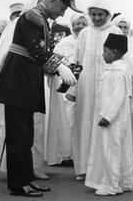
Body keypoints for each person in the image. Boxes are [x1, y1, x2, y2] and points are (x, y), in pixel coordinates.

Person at [0, 0, 79, 197]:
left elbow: (42, 52)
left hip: (23, 84)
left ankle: (27, 178)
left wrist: (61, 64)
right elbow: (36, 50)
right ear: (51, 0)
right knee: (18, 137)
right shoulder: (33, 17)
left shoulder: (41, 20)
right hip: (17, 85)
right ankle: (18, 184)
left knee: (25, 136)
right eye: (63, 7)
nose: (63, 12)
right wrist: (60, 67)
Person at [0, 0, 49, 180]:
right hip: (15, 86)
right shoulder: (13, 27)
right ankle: (16, 174)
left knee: (33, 130)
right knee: (15, 133)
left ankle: (31, 169)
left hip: (32, 85)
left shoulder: (41, 25)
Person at [72, 0, 121, 180]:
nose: (97, 18)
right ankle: (84, 168)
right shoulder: (84, 33)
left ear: (107, 14)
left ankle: (103, 169)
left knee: (104, 124)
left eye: (101, 15)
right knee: (84, 125)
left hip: (107, 86)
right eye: (93, 14)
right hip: (86, 86)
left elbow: (120, 59)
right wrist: (74, 89)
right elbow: (77, 60)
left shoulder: (116, 31)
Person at [85, 33, 133, 196]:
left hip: (113, 121)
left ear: (114, 52)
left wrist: (107, 116)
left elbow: (118, 96)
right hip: (111, 119)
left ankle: (112, 186)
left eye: (105, 51)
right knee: (111, 150)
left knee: (111, 151)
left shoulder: (119, 72)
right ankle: (115, 182)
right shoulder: (113, 69)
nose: (102, 54)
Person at [46, 13, 87, 166]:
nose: (80, 27)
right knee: (67, 119)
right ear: (72, 25)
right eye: (77, 23)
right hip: (65, 87)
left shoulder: (89, 42)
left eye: (84, 24)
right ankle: (66, 154)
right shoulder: (64, 43)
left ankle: (80, 154)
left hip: (84, 86)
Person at [111, 14, 133, 149]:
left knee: (128, 117)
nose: (122, 30)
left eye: (125, 27)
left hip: (130, 87)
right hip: (113, 86)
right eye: (119, 26)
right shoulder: (109, 42)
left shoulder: (132, 45)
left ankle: (127, 149)